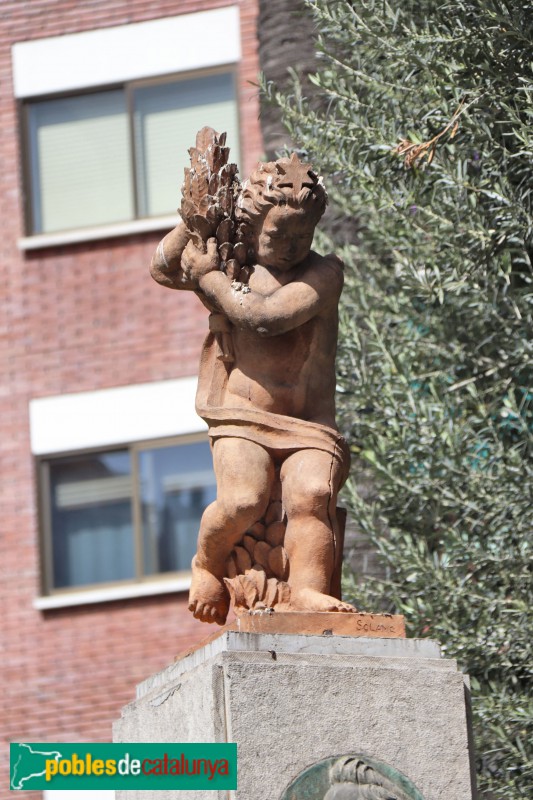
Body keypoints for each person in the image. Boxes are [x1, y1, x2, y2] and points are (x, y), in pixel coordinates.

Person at [150, 155, 354, 625]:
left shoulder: (322, 276)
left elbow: (265, 317)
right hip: (241, 416)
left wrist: (209, 279)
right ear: (250, 225)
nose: (289, 246)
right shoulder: (232, 265)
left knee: (311, 495)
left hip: (308, 425)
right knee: (243, 498)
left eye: (301, 236)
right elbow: (162, 269)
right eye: (277, 235)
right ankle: (205, 563)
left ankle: (307, 590)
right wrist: (195, 220)